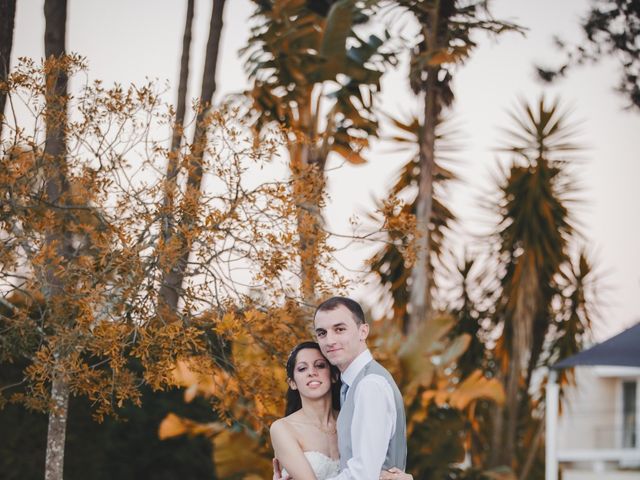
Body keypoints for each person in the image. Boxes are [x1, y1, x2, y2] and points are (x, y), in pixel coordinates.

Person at [272, 297, 409, 480]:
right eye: (322, 333)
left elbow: (363, 475)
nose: (330, 340)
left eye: (339, 329)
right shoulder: (350, 388)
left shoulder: (369, 385)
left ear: (363, 331)